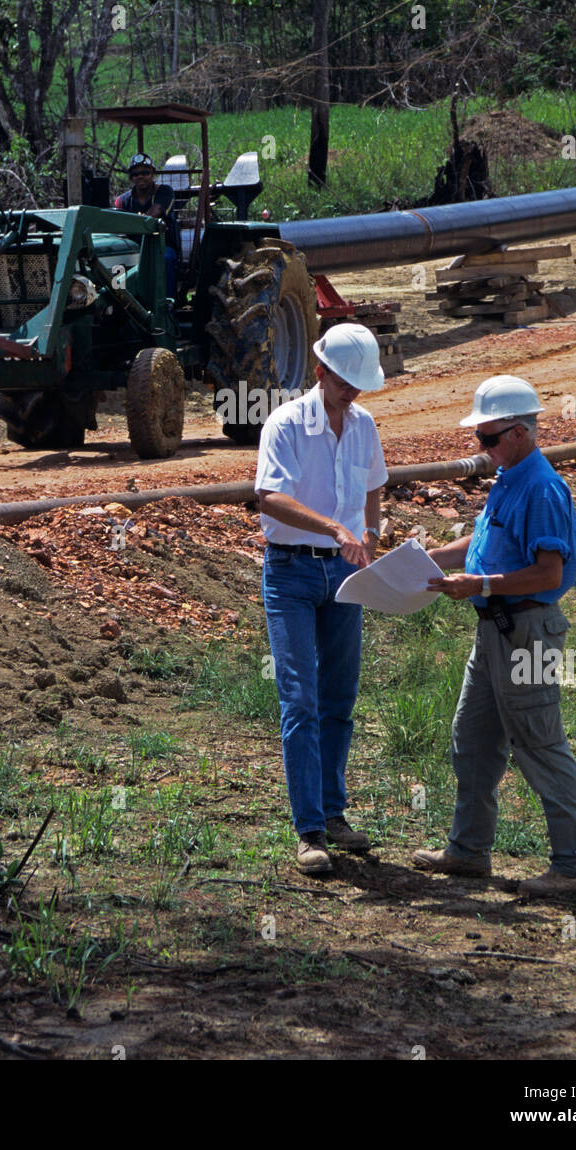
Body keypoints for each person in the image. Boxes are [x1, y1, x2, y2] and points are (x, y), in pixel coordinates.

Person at [416, 374, 576, 898]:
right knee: (472, 740)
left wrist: (482, 584)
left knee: (539, 744)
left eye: (489, 439)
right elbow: (482, 540)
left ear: (520, 433)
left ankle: (573, 868)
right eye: (480, 439)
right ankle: (468, 852)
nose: (482, 448)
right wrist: (422, 564)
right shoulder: (511, 477)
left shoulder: (540, 486)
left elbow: (547, 573)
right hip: (496, 632)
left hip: (527, 634)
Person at [255, 324, 388, 875]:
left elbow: (375, 483)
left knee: (339, 697)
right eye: (344, 382)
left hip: (345, 572)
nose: (352, 393)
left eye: (359, 385)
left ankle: (333, 814)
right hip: (291, 571)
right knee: (300, 700)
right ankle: (309, 829)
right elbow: (268, 496)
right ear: (320, 372)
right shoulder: (285, 424)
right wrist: (336, 528)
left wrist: (372, 536)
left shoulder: (363, 425)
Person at [114, 153, 178, 297]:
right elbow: (117, 222)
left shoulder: (164, 192)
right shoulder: (122, 200)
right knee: (115, 262)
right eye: (136, 174)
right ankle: (118, 301)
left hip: (160, 245)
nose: (140, 176)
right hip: (132, 247)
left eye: (145, 172)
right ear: (131, 177)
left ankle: (167, 302)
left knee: (165, 259)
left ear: (152, 173)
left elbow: (154, 214)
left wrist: (133, 221)